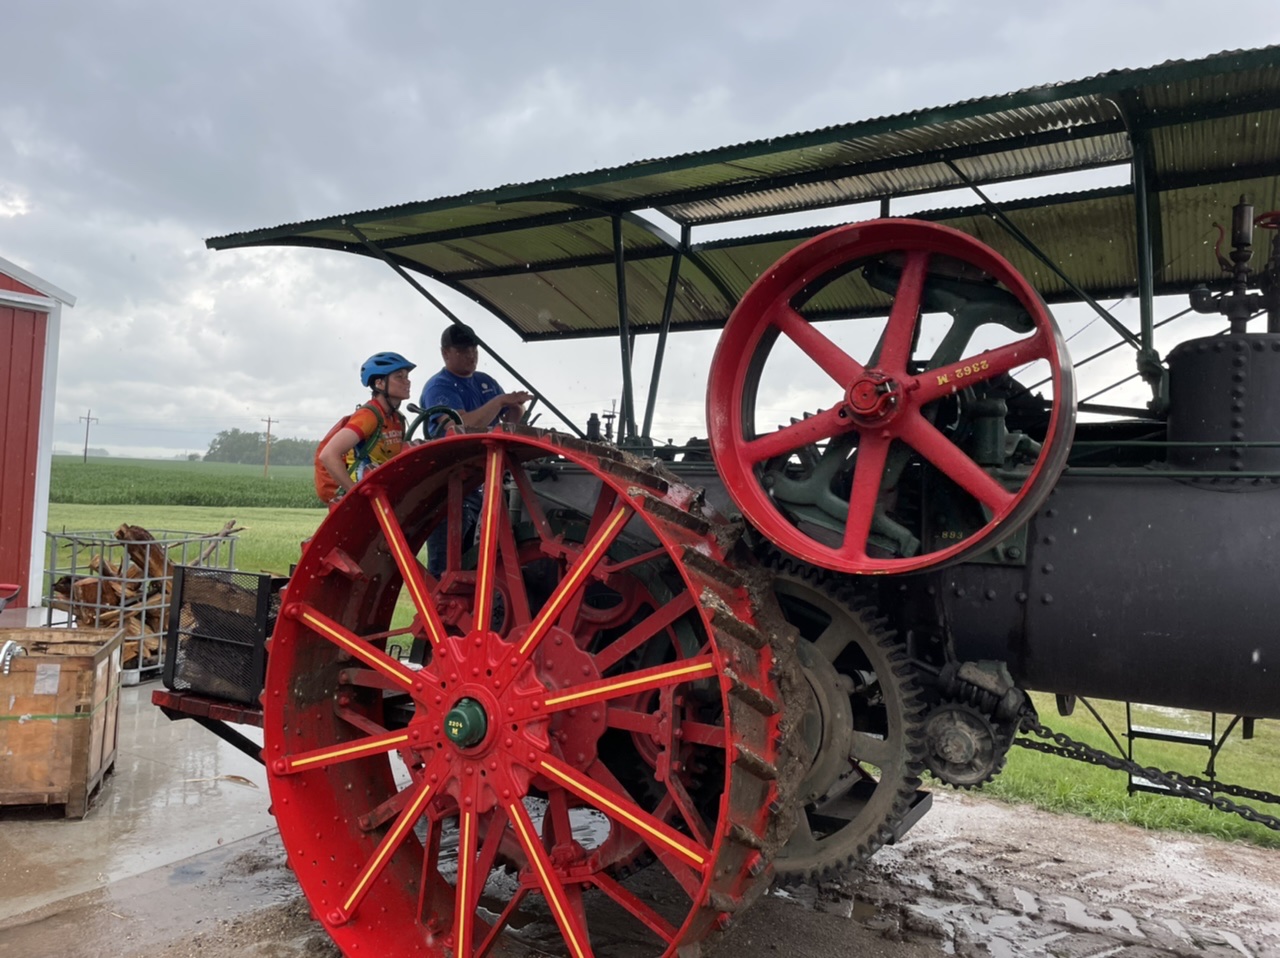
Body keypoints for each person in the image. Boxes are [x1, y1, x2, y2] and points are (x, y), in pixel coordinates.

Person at [419, 324, 531, 577]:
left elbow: (510, 424)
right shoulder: (439, 387)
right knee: (447, 566)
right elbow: (462, 427)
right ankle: (439, 610)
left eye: (474, 349)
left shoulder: (486, 382)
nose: (471, 355)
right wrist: (501, 401)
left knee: (475, 562)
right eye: (462, 350)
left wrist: (515, 407)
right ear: (445, 353)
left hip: (484, 483)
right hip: (451, 487)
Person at [318, 351, 414, 500]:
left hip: (383, 494)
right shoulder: (369, 416)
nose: (407, 381)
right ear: (379, 383)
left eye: (407, 377)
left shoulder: (397, 418)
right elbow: (328, 455)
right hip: (367, 495)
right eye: (399, 377)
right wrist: (354, 495)